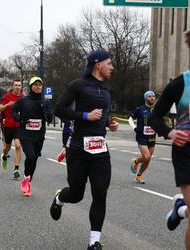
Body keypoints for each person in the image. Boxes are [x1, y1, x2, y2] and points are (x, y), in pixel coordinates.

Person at [50, 49, 118, 250]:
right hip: (78, 147)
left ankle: (94, 241)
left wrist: (108, 124)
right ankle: (60, 197)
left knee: (100, 192)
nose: (112, 67)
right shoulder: (78, 85)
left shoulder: (107, 90)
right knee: (77, 194)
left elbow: (103, 116)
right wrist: (86, 116)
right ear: (98, 64)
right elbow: (59, 110)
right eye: (109, 63)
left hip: (100, 148)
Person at [149, 27, 190, 250]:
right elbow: (154, 118)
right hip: (187, 152)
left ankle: (181, 208)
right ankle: (186, 208)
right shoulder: (180, 84)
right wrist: (169, 132)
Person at [12, 77, 53, 195]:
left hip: (39, 135)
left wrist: (46, 112)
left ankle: (28, 180)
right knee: (30, 156)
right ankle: (26, 177)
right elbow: (14, 111)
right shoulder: (23, 100)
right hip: (25, 134)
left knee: (34, 158)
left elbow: (50, 118)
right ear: (31, 86)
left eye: (40, 85)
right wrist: (20, 119)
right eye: (35, 84)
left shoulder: (45, 101)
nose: (38, 87)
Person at [128, 90, 156, 184]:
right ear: (145, 98)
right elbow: (130, 119)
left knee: (147, 159)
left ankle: (139, 175)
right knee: (146, 157)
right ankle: (135, 161)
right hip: (142, 136)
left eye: (153, 96)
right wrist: (135, 128)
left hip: (152, 137)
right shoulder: (140, 109)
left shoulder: (156, 110)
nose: (152, 98)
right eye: (150, 96)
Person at [0, 80, 24, 179]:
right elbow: (0, 108)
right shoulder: (7, 97)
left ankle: (16, 169)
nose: (17, 87)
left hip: (19, 126)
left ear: (21, 87)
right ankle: (4, 156)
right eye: (16, 85)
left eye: (19, 85)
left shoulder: (23, 97)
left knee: (18, 146)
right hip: (8, 126)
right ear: (12, 87)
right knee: (7, 148)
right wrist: (7, 105)